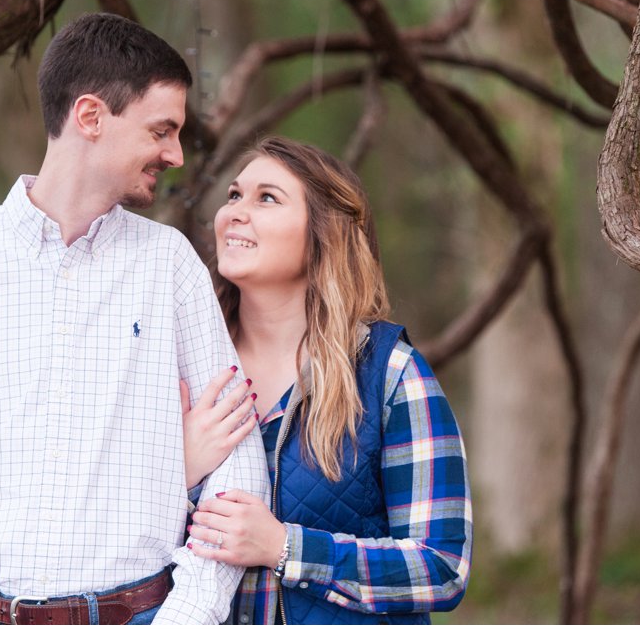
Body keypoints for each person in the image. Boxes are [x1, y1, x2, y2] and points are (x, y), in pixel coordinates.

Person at [0, 13, 270, 625]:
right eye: (162, 130)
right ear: (90, 117)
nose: (176, 154)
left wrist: (186, 616)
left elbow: (237, 465)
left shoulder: (170, 268)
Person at [178, 136, 472, 624]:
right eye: (233, 195)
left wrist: (284, 547)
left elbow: (441, 568)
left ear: (324, 233)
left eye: (266, 197)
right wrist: (179, 471)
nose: (234, 212)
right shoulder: (183, 366)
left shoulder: (389, 374)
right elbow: (115, 543)